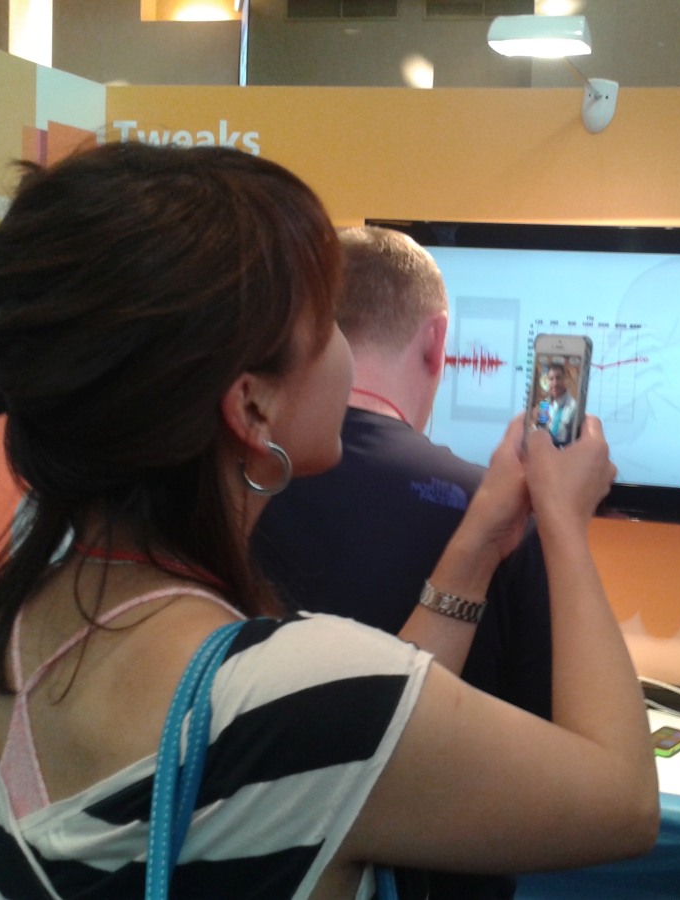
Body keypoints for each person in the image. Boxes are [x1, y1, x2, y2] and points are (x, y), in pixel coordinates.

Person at [0, 142, 658, 899]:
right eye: (328, 323)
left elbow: (355, 730)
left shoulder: (4, 630)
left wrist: (480, 544)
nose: (346, 351)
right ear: (252, 406)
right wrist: (564, 521)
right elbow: (623, 800)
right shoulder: (289, 688)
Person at [252, 225, 553, 897]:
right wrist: (559, 523)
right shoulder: (503, 515)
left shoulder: (231, 491)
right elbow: (563, 757)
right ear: (438, 341)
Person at [535, 361, 578, 447]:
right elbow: (541, 432)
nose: (555, 383)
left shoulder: (574, 406)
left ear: (564, 380)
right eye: (551, 379)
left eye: (558, 378)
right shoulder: (544, 405)